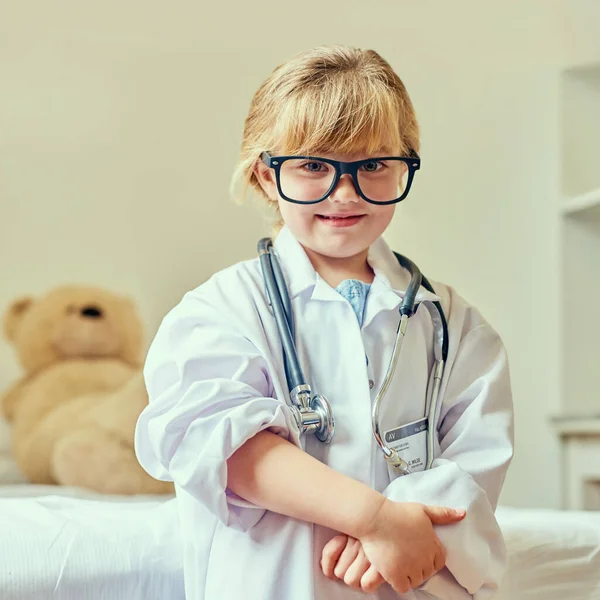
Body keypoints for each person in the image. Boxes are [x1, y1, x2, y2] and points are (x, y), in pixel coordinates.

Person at [134, 45, 514, 600]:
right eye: (313, 165)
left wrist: (398, 526)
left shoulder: (455, 327)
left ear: (406, 165)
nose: (345, 192)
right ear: (267, 175)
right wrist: (375, 518)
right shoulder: (218, 312)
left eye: (374, 165)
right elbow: (226, 450)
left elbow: (472, 480)